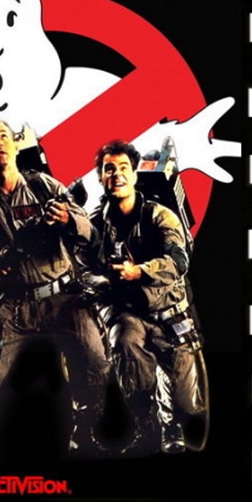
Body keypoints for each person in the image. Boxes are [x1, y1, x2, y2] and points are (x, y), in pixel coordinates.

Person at [0, 116, 108, 460]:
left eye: (4, 137)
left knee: (95, 358)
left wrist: (69, 220)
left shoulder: (45, 188)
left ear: (15, 144)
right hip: (9, 303)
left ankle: (84, 435)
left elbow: (89, 233)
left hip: (63, 296)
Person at [84, 140, 205, 456]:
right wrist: (103, 283)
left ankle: (177, 419)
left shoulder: (160, 216)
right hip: (127, 312)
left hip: (169, 311)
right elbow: (81, 268)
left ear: (134, 174)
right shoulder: (95, 224)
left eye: (123, 168)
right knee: (126, 345)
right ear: (100, 176)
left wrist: (139, 271)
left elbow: (179, 261)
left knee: (190, 400)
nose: (117, 174)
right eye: (109, 168)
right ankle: (153, 427)